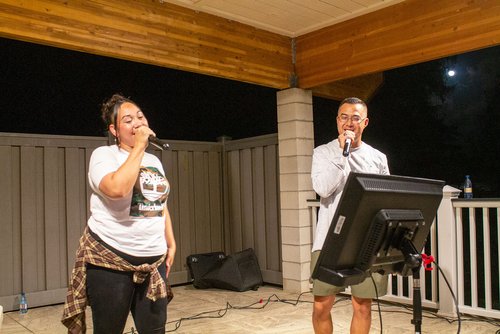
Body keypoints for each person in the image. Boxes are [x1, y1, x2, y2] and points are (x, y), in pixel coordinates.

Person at [62, 93, 176, 334]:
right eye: (128, 119)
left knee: (155, 330)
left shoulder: (154, 161)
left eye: (140, 116)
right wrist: (140, 148)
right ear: (114, 130)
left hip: (153, 262)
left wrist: (170, 241)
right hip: (111, 260)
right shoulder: (104, 156)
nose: (137, 122)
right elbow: (117, 189)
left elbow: (159, 203)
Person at [310, 97, 389, 334]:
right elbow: (323, 189)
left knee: (363, 306)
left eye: (355, 118)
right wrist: (342, 155)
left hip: (366, 241)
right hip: (329, 240)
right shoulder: (323, 153)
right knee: (321, 305)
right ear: (337, 121)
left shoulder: (377, 157)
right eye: (344, 117)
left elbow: (384, 199)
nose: (349, 123)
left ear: (365, 122)